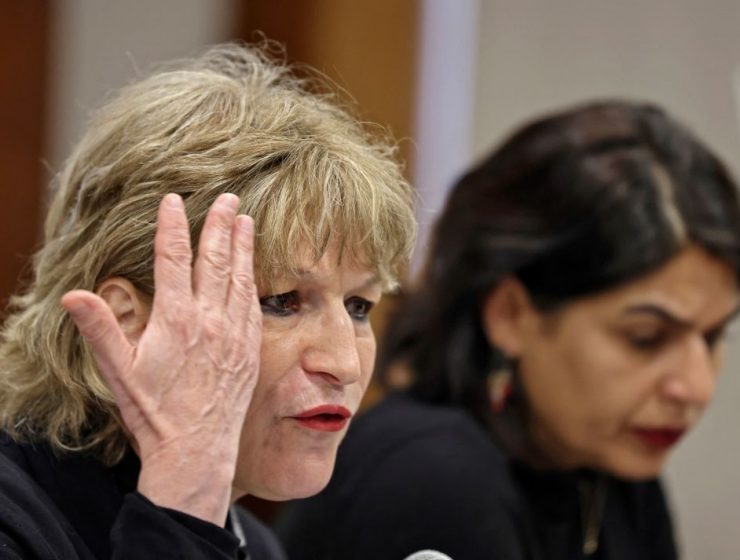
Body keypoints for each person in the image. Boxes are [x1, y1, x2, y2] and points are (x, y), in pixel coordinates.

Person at [0, 42, 416, 559]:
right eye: (282, 301)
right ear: (127, 321)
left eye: (359, 306)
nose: (345, 364)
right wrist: (183, 503)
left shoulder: (254, 545)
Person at [277, 100, 740, 559]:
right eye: (645, 337)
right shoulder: (432, 476)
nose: (695, 388)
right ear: (511, 314)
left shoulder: (613, 470)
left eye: (713, 336)